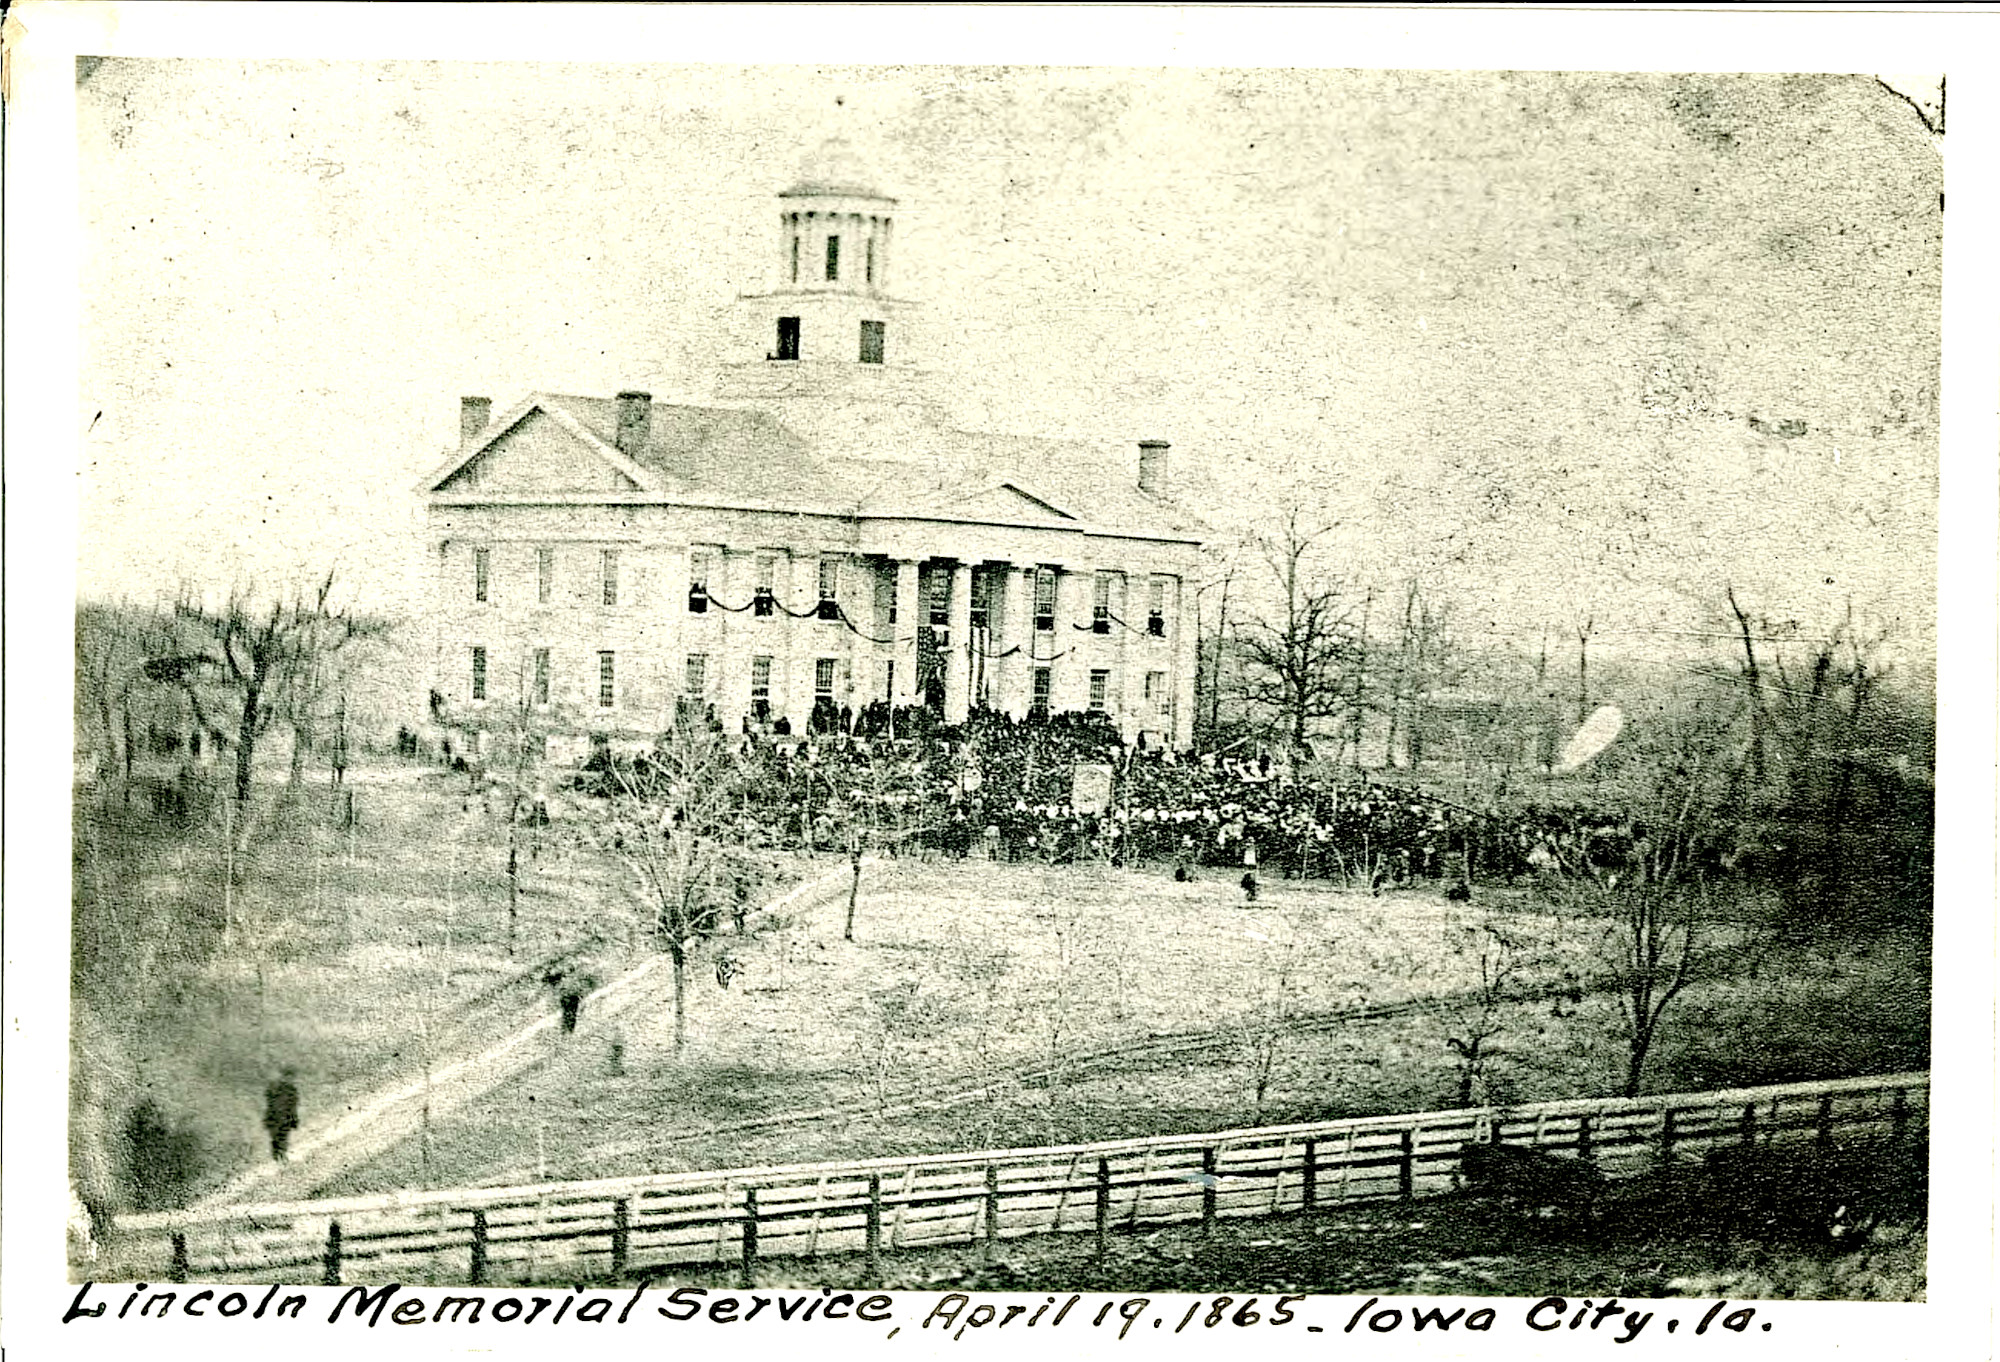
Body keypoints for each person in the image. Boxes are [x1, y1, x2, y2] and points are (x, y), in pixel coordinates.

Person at [263, 1067, 300, 1162]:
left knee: (282, 1136)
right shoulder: (277, 1088)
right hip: (276, 1116)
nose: (290, 1079)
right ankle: (278, 1155)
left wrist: (294, 1118)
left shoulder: (291, 1090)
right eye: (288, 1077)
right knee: (277, 1137)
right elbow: (270, 1102)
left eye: (291, 1077)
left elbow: (293, 1106)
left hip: (284, 1117)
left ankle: (281, 1154)